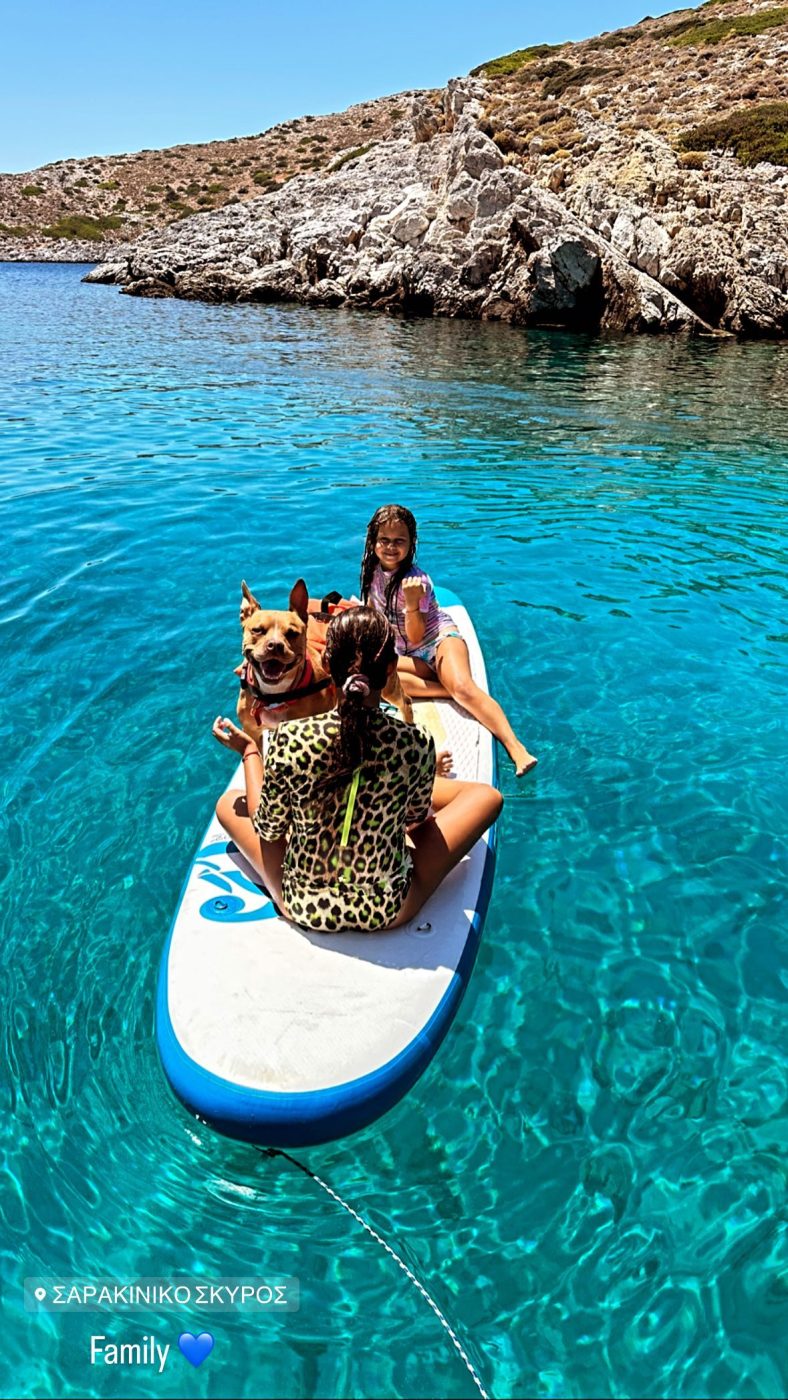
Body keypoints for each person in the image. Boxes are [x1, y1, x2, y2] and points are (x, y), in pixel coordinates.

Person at [212, 607, 502, 934]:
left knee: (228, 804)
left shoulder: (286, 739)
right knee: (487, 798)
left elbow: (267, 827)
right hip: (389, 908)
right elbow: (416, 819)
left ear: (325, 665)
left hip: (301, 903)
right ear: (391, 668)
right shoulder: (416, 742)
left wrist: (250, 752)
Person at [360, 504, 538, 778]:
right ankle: (445, 689)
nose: (391, 547)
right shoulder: (371, 571)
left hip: (438, 641)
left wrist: (411, 603)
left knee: (464, 689)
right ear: (373, 541)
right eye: (384, 539)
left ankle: (516, 749)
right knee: (375, 679)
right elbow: (375, 610)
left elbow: (417, 636)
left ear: (411, 542)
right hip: (404, 651)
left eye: (399, 541)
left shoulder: (416, 581)